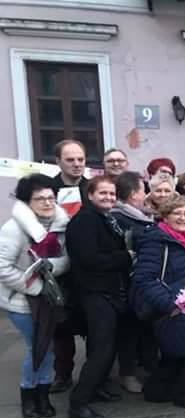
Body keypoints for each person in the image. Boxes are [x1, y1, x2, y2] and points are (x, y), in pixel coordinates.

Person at [134, 193, 185, 409]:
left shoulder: (182, 238)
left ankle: (157, 391)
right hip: (170, 305)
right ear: (165, 216)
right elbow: (144, 279)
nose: (183, 218)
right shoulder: (158, 241)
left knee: (177, 350)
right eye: (177, 213)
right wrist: (171, 304)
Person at [0, 174, 69, 418]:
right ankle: (29, 396)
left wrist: (51, 267)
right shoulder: (14, 229)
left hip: (49, 299)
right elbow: (3, 268)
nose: (47, 203)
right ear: (27, 202)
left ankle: (42, 395)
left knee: (46, 347)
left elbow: (66, 259)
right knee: (38, 348)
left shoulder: (59, 224)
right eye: (40, 199)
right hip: (21, 301)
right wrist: (36, 288)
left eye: (51, 197)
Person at [65, 176, 134, 418]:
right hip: (94, 292)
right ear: (90, 195)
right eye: (102, 193)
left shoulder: (104, 218)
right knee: (102, 349)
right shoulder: (84, 221)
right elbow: (90, 259)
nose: (108, 197)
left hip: (109, 291)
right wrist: (126, 256)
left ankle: (97, 388)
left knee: (105, 345)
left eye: (112, 193)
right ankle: (78, 402)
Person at [110, 171, 157, 390]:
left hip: (144, 280)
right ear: (132, 194)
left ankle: (149, 369)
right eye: (143, 190)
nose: (146, 194)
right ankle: (127, 373)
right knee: (129, 330)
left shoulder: (142, 215)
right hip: (128, 283)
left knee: (146, 327)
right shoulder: (120, 218)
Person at [48, 139, 88, 393]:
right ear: (58, 161)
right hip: (58, 266)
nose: (76, 164)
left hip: (88, 266)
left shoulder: (92, 188)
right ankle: (62, 373)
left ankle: (97, 375)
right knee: (60, 325)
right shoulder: (47, 190)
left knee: (92, 323)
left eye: (80, 159)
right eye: (70, 159)